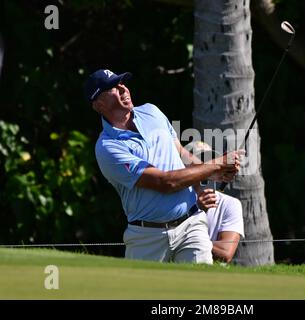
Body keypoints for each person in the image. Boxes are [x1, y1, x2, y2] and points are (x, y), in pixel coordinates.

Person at [84, 69, 242, 264]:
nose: (123, 89)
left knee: (199, 290)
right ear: (99, 104)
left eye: (122, 83)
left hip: (191, 224)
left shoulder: (152, 111)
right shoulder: (107, 147)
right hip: (146, 237)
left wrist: (210, 178)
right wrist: (216, 165)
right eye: (113, 88)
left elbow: (182, 155)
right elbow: (164, 182)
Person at [184, 141, 245, 263]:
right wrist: (196, 211)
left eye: (211, 162)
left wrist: (185, 241)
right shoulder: (170, 199)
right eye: (199, 162)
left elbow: (225, 254)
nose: (206, 167)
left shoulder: (231, 204)